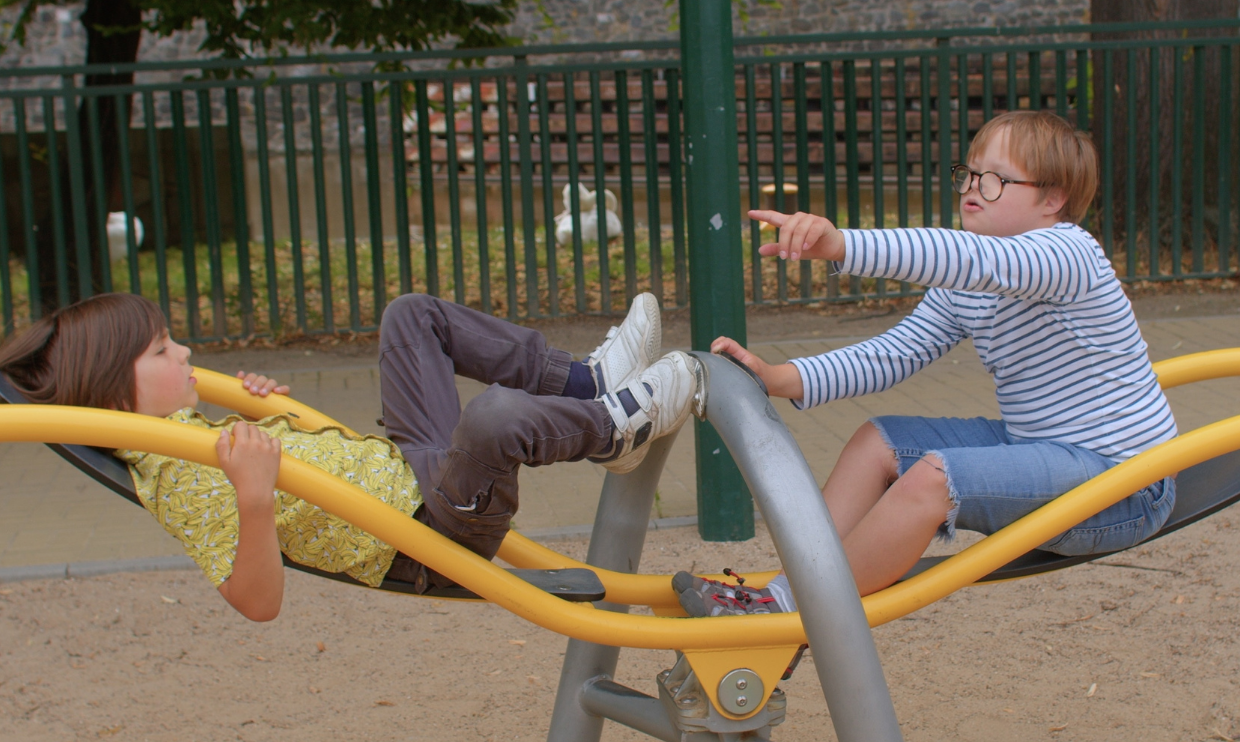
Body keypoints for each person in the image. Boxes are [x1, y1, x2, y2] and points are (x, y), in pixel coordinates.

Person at [674, 110, 1177, 617]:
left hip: (1125, 482)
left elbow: (963, 257)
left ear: (1053, 200)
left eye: (997, 180)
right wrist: (778, 377)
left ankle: (790, 607)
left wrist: (842, 244)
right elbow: (894, 354)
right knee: (877, 441)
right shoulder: (967, 282)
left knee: (936, 476)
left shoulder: (1068, 254)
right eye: (971, 173)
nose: (974, 188)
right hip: (1043, 446)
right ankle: (792, 587)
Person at [0, 291, 704, 621]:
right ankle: (614, 428)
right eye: (161, 350)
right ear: (115, 401)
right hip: (433, 534)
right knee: (492, 419)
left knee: (411, 317)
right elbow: (256, 602)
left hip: (415, 469)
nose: (184, 352)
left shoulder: (180, 430)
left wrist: (261, 409)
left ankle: (588, 384)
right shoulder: (179, 478)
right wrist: (250, 494)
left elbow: (291, 474)